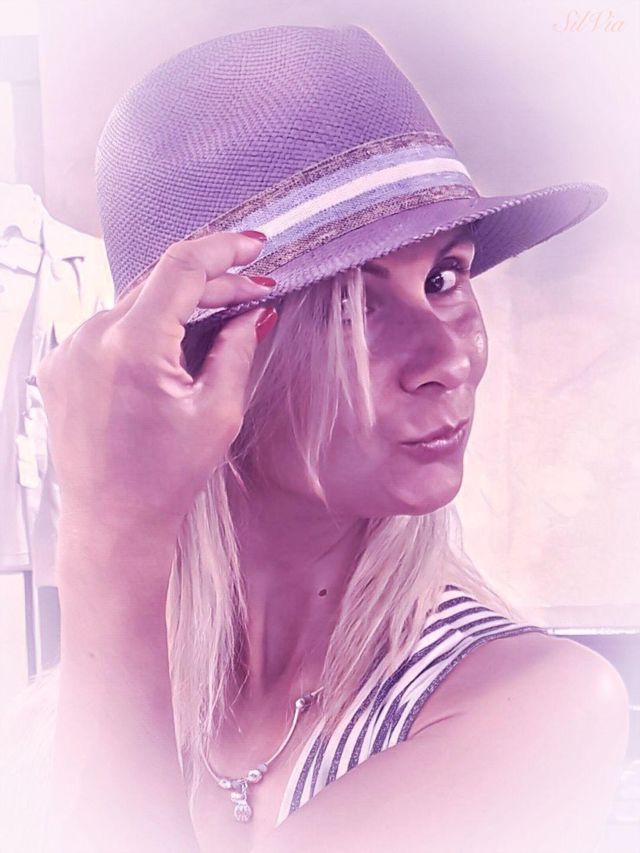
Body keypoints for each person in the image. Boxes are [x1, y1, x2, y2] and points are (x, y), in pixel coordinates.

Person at [1, 23, 630, 853]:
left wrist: (109, 536)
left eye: (445, 277)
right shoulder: (42, 729)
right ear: (202, 357)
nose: (448, 357)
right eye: (354, 304)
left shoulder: (540, 710)